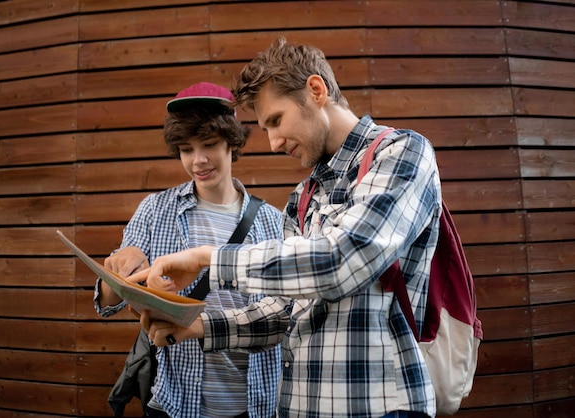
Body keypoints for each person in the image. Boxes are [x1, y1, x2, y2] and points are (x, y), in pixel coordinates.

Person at [134, 37, 441, 418]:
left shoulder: (400, 154)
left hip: (376, 408)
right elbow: (284, 313)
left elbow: (340, 260)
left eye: (276, 121)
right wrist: (197, 327)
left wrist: (208, 260)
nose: (275, 142)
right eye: (264, 129)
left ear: (316, 90)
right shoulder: (302, 197)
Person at [94, 82, 284, 418]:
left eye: (209, 145)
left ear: (232, 142)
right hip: (175, 400)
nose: (198, 161)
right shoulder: (155, 210)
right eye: (185, 149)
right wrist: (119, 272)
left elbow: (284, 316)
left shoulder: (272, 222)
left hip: (255, 402)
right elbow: (108, 302)